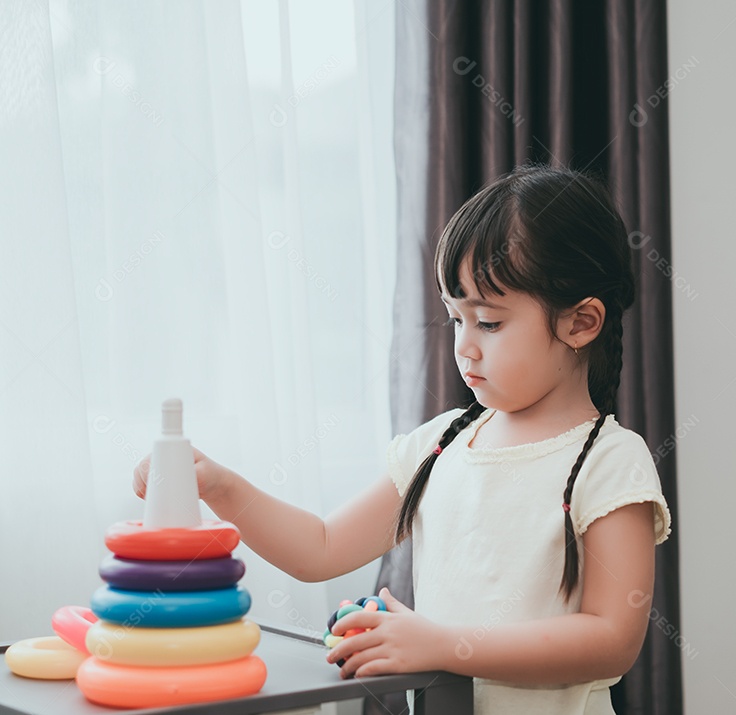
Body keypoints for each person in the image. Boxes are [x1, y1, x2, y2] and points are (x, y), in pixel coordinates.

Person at [134, 164, 672, 715]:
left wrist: (443, 644)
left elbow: (612, 641)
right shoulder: (438, 446)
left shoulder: (609, 461)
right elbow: (319, 548)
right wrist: (220, 487)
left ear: (581, 323)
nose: (465, 347)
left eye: (488, 323)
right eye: (454, 320)